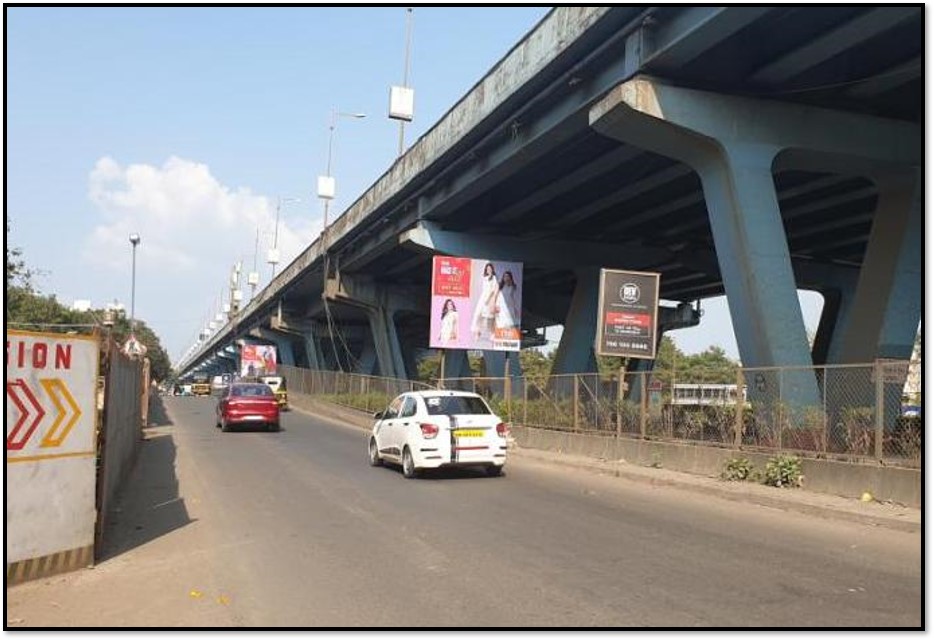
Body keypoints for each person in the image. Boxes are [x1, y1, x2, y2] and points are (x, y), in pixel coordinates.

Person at [470, 262, 498, 342]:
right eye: (487, 269)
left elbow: (493, 290)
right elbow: (484, 289)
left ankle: (493, 333)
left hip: (490, 299)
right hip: (483, 298)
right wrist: (484, 298)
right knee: (478, 315)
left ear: (492, 269)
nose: (489, 270)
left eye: (490, 268)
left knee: (490, 317)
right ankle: (477, 333)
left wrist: (489, 299)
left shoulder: (494, 278)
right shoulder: (485, 278)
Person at [495, 270, 520, 336]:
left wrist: (515, 308)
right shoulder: (500, 286)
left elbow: (514, 298)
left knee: (509, 324)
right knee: (501, 323)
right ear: (503, 277)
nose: (506, 278)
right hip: (501, 307)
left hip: (510, 308)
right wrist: (497, 306)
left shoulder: (513, 287)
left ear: (510, 277)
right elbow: (498, 297)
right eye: (505, 276)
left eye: (508, 276)